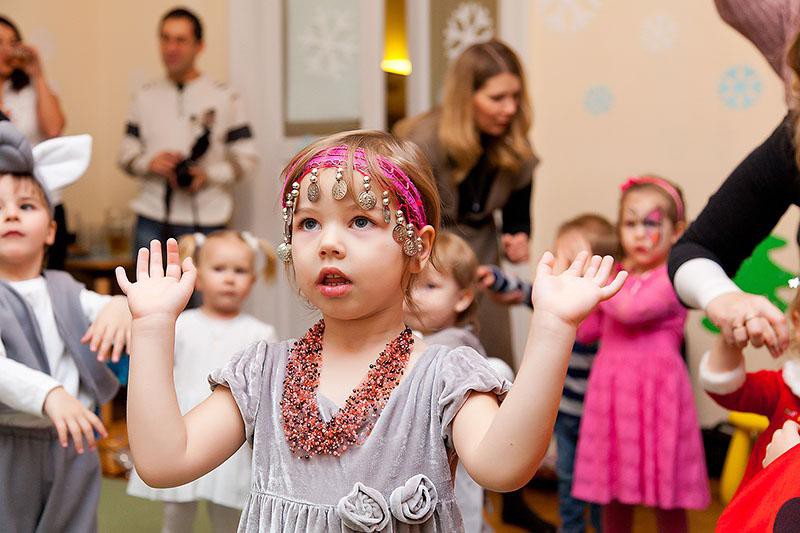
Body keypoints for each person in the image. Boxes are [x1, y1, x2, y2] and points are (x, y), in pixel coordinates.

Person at [117, 130, 626, 531]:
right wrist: (153, 327)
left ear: (418, 247)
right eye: (308, 223)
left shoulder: (444, 376)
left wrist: (553, 327)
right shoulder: (263, 371)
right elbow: (164, 462)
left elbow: (504, 467)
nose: (328, 243)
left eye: (360, 221)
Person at [0, 120, 131, 531]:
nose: (10, 214)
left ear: (51, 230)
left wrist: (120, 306)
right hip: (10, 442)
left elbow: (110, 311)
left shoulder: (66, 289)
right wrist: (50, 394)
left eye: (26, 206)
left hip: (75, 442)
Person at [572, 176, 710, 532]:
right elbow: (587, 332)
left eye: (650, 223)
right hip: (611, 392)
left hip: (657, 391)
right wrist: (578, 291)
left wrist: (598, 281)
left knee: (668, 491)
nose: (639, 234)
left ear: (676, 231)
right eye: (630, 224)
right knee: (613, 488)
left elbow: (632, 310)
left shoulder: (674, 276)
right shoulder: (617, 275)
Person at [394, 39, 537, 370]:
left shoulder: (514, 141)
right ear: (466, 97)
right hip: (429, 253)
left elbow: (518, 201)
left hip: (481, 253)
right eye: (497, 98)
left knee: (489, 355)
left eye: (515, 97)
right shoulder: (422, 141)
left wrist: (518, 233)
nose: (510, 108)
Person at [404, 231, 555, 533]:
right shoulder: (404, 338)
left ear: (463, 298)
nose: (415, 296)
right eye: (409, 285)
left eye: (430, 286)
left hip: (453, 480)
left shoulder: (455, 349)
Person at [127, 230, 277, 532]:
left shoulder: (261, 333)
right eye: (219, 269)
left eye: (240, 271)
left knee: (230, 511)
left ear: (253, 280)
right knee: (177, 510)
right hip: (181, 423)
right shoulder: (180, 324)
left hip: (230, 435)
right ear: (197, 277)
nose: (230, 278)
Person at [480, 213, 617, 533]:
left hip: (600, 419)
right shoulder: (554, 302)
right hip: (566, 414)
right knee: (567, 478)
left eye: (569, 261)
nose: (558, 267)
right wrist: (495, 278)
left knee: (600, 484)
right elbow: (522, 290)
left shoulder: (609, 312)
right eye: (557, 256)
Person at [117, 7, 258, 255]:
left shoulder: (224, 97)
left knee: (209, 282)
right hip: (151, 218)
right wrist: (150, 163)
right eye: (165, 38)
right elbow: (125, 156)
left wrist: (207, 175)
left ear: (199, 46)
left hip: (209, 219)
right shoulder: (144, 97)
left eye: (181, 40)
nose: (171, 48)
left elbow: (247, 159)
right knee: (149, 281)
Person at [699, 279, 800, 496]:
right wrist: (730, 339)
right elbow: (728, 389)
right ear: (797, 323)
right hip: (762, 506)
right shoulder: (785, 385)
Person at [0, 15, 71, 269]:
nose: (7, 50)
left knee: (46, 274)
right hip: (3, 206)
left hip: (38, 199)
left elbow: (54, 128)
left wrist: (38, 74)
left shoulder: (31, 91)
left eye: (13, 43)